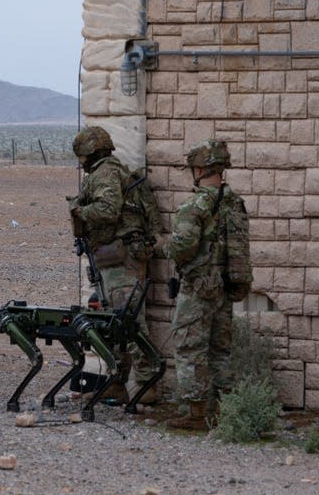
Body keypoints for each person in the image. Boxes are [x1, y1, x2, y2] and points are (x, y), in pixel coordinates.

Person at [68, 126, 161, 405]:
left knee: (130, 322)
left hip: (122, 260)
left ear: (89, 153)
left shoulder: (106, 173)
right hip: (113, 258)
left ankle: (147, 386)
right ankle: (117, 383)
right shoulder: (109, 172)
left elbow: (107, 210)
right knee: (115, 324)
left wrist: (79, 211)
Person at [165, 138, 244, 430]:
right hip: (225, 284)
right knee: (220, 350)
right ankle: (224, 411)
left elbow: (183, 245)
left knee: (189, 347)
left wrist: (163, 247)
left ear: (199, 169)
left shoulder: (195, 204)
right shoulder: (234, 202)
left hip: (198, 286)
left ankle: (195, 414)